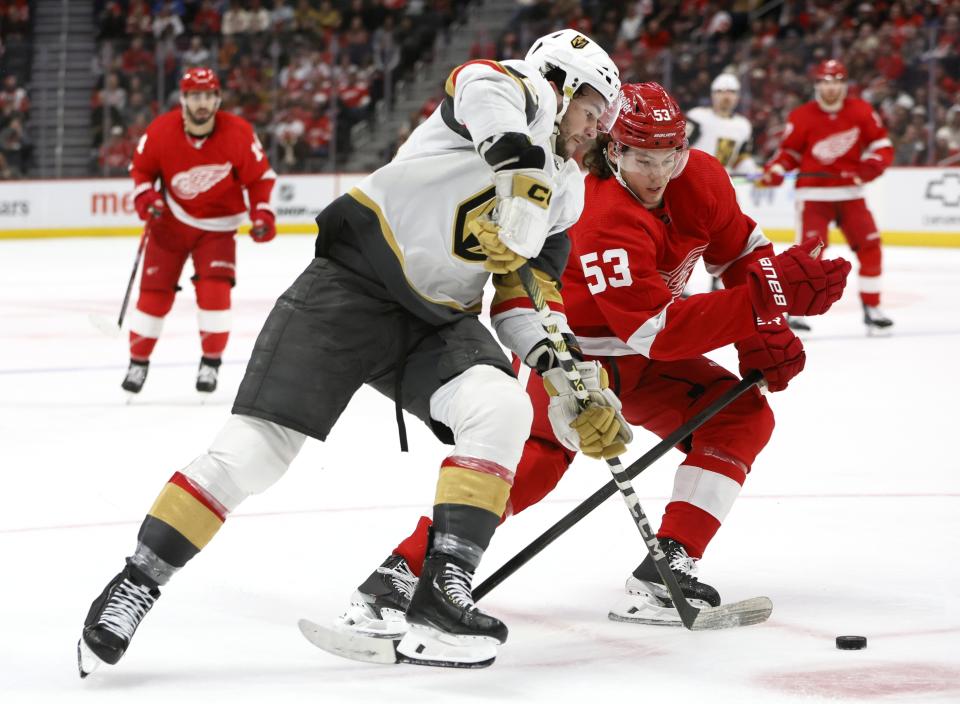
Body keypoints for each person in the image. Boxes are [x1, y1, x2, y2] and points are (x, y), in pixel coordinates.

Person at [77, 30, 624, 673]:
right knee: (254, 454)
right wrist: (521, 174)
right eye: (594, 112)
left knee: (502, 406)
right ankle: (137, 582)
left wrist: (566, 377)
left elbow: (523, 297)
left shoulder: (569, 191)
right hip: (351, 285)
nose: (597, 132)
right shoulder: (515, 93)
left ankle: (440, 597)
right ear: (561, 86)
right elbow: (476, 82)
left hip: (437, 321)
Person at [338, 83, 851, 637]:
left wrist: (761, 331)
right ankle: (400, 574)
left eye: (670, 157)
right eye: (642, 159)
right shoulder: (603, 212)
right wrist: (764, 303)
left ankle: (668, 566)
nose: (658, 173)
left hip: (645, 355)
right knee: (531, 467)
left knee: (743, 417)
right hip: (569, 356)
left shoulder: (700, 177)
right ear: (614, 151)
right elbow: (656, 331)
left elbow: (744, 253)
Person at [121, 66, 278, 395]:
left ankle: (210, 362)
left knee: (215, 293)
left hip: (218, 228)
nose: (202, 102)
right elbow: (141, 171)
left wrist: (262, 213)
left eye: (208, 95)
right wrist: (147, 196)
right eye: (195, 96)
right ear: (183, 99)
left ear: (218, 98)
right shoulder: (161, 131)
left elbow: (260, 178)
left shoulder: (238, 132)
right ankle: (138, 362)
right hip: (169, 224)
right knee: (154, 295)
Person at [758, 59, 894, 334]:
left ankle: (872, 307)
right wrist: (775, 170)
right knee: (809, 256)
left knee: (871, 247)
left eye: (836, 82)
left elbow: (882, 146)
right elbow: (790, 153)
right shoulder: (801, 116)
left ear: (845, 85)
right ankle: (795, 311)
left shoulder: (862, 111)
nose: (830, 88)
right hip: (814, 197)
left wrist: (868, 169)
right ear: (817, 85)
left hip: (851, 195)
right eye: (824, 82)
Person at [685, 71, 759, 293]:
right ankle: (677, 283)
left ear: (737, 97)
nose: (725, 96)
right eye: (720, 91)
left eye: (731, 92)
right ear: (712, 95)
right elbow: (678, 145)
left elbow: (741, 156)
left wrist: (752, 171)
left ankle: (721, 283)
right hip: (692, 184)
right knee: (685, 237)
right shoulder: (697, 117)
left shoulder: (743, 125)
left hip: (724, 188)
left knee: (727, 238)